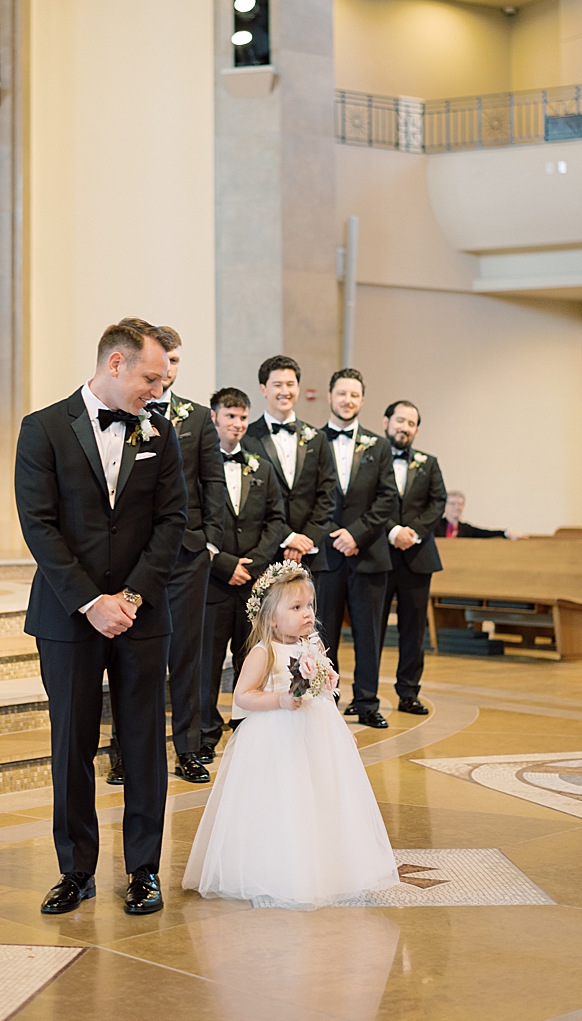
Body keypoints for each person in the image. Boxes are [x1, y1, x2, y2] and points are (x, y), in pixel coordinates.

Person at [14, 321, 187, 918]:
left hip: (142, 616)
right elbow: (39, 525)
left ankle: (143, 870)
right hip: (69, 616)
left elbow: (172, 524)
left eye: (163, 381)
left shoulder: (161, 434)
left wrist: (132, 597)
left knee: (142, 744)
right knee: (72, 743)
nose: (157, 391)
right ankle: (76, 870)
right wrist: (92, 601)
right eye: (149, 378)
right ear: (115, 364)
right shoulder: (42, 430)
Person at [183, 563, 399, 909]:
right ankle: (280, 868)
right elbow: (242, 696)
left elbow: (325, 695)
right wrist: (280, 700)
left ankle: (325, 864)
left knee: (320, 796)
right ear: (271, 617)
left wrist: (342, 729)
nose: (307, 614)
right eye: (296, 608)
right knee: (283, 800)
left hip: (316, 737)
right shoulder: (263, 653)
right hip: (275, 740)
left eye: (310, 606)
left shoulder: (313, 648)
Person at [107, 319, 225, 786]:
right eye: (162, 362)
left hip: (187, 556)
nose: (168, 372)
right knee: (128, 655)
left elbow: (211, 481)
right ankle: (123, 751)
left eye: (174, 362)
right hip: (135, 559)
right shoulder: (123, 410)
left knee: (187, 656)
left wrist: (210, 541)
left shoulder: (196, 417)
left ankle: (189, 749)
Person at [199, 387, 285, 763]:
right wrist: (223, 564)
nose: (237, 423)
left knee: (252, 659)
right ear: (215, 417)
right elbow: (191, 521)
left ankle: (248, 731)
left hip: (254, 583)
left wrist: (254, 562)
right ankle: (203, 735)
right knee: (207, 662)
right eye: (230, 416)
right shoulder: (198, 466)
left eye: (242, 417)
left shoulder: (261, 466)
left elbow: (276, 520)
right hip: (213, 581)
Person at [317, 369, 398, 729]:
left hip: (368, 554)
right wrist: (336, 534)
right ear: (330, 396)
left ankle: (367, 701)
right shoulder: (314, 440)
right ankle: (324, 701)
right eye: (341, 393)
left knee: (369, 634)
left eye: (354, 394)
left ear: (362, 400)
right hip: (327, 553)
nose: (347, 400)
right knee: (322, 633)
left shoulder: (378, 446)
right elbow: (308, 498)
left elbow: (387, 498)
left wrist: (356, 534)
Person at [380, 400, 447, 716]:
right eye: (399, 420)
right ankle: (364, 695)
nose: (404, 427)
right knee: (372, 629)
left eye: (411, 423)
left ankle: (408, 693)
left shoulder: (428, 462)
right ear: (386, 422)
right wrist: (392, 530)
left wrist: (413, 532)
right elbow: (363, 501)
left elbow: (438, 503)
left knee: (413, 630)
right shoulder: (372, 458)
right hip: (378, 555)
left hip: (418, 558)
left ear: (416, 430)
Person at [244, 355, 336, 579]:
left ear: (298, 388)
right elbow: (253, 501)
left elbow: (327, 494)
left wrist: (306, 539)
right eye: (277, 385)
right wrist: (287, 537)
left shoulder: (317, 438)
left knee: (311, 615)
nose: (284, 391)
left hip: (311, 552)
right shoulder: (248, 438)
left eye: (290, 384)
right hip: (266, 550)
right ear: (263, 389)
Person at [435, 491, 527, 540]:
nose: (457, 507)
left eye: (460, 504)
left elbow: (485, 533)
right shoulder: (435, 526)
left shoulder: (466, 528)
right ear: (444, 506)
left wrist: (506, 533)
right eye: (453, 503)